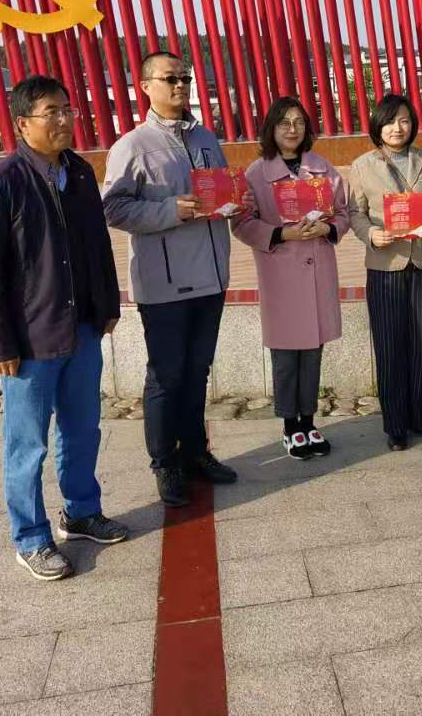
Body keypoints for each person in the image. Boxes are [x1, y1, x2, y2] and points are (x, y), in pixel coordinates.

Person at [0, 75, 129, 582]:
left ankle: (81, 512)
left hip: (81, 328)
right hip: (31, 339)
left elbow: (98, 246)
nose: (63, 120)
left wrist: (107, 305)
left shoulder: (78, 173)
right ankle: (31, 538)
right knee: (27, 444)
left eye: (67, 110)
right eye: (51, 112)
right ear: (22, 123)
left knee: (83, 429)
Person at [103, 51, 246, 507]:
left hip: (210, 275)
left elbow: (219, 188)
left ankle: (195, 452)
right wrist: (169, 210)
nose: (181, 85)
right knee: (167, 375)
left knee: (198, 371)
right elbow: (113, 208)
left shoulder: (205, 137)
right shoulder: (132, 146)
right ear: (146, 86)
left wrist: (234, 199)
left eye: (185, 78)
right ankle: (165, 462)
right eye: (170, 78)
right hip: (164, 284)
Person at [234, 97, 352, 459]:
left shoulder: (322, 168)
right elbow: (241, 222)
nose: (292, 129)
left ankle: (309, 420)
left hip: (316, 271)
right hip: (281, 275)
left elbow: (343, 212)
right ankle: (290, 426)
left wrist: (328, 228)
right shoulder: (256, 173)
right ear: (271, 128)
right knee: (286, 355)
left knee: (313, 352)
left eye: (299, 122)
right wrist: (281, 234)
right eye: (284, 122)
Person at [348, 93, 422, 452]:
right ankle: (395, 425)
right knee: (389, 346)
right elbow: (355, 213)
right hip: (385, 265)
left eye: (404, 120)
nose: (397, 127)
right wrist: (370, 234)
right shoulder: (362, 165)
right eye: (390, 121)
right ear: (378, 125)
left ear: (413, 124)